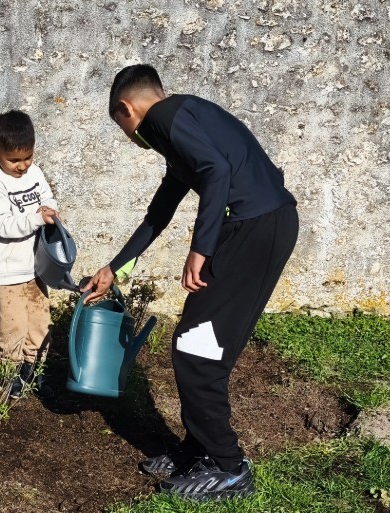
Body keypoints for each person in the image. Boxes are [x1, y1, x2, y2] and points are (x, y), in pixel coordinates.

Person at [82, 64, 298, 500]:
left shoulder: (162, 118)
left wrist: (201, 248)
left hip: (252, 229)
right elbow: (158, 213)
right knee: (199, 344)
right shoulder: (184, 122)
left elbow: (216, 171)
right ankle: (199, 450)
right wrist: (116, 267)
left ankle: (228, 467)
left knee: (197, 349)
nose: (129, 137)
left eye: (121, 126)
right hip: (263, 226)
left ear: (126, 108)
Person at [0, 110, 58, 399]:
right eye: (14, 160)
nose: (22, 166)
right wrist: (36, 219)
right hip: (5, 270)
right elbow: (1, 225)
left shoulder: (34, 173)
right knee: (13, 327)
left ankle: (34, 371)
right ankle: (7, 376)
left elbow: (47, 195)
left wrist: (50, 208)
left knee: (40, 323)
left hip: (34, 267)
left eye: (28, 157)